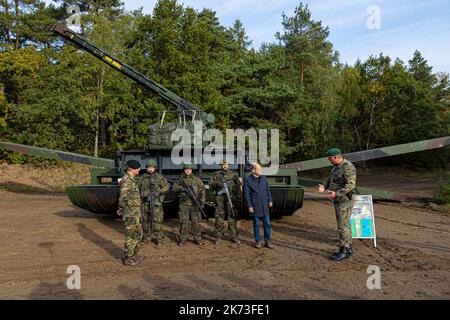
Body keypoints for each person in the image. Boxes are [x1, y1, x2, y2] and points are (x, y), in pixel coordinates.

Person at [318, 148, 357, 261]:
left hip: (345, 200)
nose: (329, 160)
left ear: (335, 157)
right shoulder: (336, 167)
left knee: (342, 226)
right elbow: (331, 179)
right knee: (345, 224)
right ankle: (348, 247)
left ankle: (344, 250)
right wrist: (324, 186)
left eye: (329, 158)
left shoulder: (348, 167)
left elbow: (350, 186)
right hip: (339, 200)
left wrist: (337, 194)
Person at [171, 163, 206, 246]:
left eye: (189, 169)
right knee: (184, 222)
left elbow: (202, 191)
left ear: (191, 170)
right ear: (184, 170)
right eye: (186, 169)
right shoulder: (180, 180)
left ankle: (198, 239)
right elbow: (173, 188)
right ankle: (183, 239)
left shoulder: (196, 180)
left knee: (196, 223)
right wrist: (183, 188)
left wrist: (202, 202)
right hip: (184, 204)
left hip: (195, 204)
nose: (187, 171)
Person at [117, 159, 144, 266]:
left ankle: (134, 254)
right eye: (137, 168)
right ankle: (128, 257)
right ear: (131, 169)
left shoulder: (132, 179)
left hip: (135, 212)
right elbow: (123, 197)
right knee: (131, 234)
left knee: (138, 233)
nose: (139, 170)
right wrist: (122, 209)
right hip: (130, 212)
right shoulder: (127, 180)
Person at [209, 161, 242, 245]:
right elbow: (210, 184)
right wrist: (217, 183)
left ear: (229, 165)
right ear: (221, 165)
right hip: (220, 199)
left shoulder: (234, 175)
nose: (225, 166)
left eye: (226, 164)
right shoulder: (216, 174)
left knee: (232, 217)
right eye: (223, 165)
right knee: (219, 218)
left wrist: (238, 199)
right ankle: (218, 237)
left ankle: (234, 236)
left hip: (231, 200)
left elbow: (238, 187)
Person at [138, 159, 170, 246]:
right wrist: (144, 194)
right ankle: (146, 237)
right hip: (145, 203)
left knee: (157, 220)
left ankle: (158, 237)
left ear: (155, 168)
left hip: (156, 203)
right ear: (146, 168)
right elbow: (137, 189)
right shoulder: (142, 178)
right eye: (148, 167)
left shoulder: (159, 177)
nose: (150, 169)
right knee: (145, 220)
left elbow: (167, 186)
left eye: (152, 167)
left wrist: (159, 192)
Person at [243, 163, 273, 249]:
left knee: (267, 224)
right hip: (255, 206)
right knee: (256, 224)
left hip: (265, 205)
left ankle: (267, 241)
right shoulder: (248, 180)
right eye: (258, 169)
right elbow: (246, 194)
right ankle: (258, 241)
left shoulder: (263, 178)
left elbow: (268, 190)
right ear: (253, 170)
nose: (260, 171)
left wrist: (270, 200)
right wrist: (249, 206)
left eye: (260, 169)